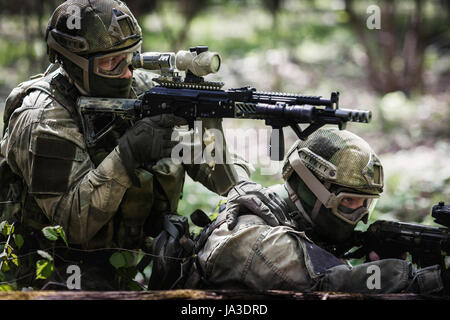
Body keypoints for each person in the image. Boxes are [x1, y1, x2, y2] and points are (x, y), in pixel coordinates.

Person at [0, 0, 259, 290]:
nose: (126, 72)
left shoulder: (143, 91)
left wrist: (211, 130)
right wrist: (129, 153)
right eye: (111, 63)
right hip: (48, 274)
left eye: (132, 57)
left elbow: (215, 170)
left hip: (132, 263)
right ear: (75, 65)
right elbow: (72, 223)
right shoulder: (42, 117)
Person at [189, 128, 448, 294]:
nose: (360, 215)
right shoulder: (254, 238)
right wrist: (424, 279)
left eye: (367, 204)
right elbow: (332, 283)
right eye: (350, 202)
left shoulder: (305, 223)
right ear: (311, 191)